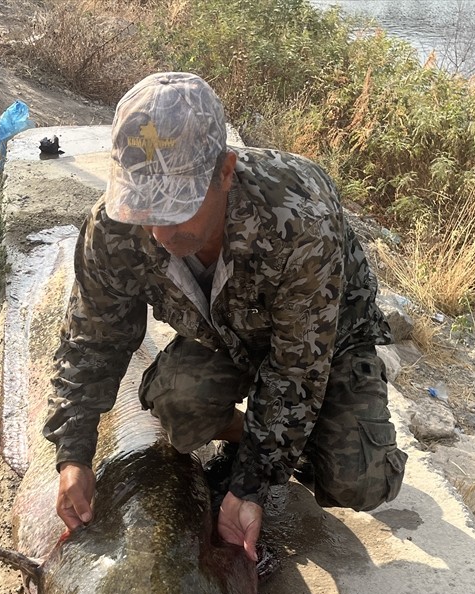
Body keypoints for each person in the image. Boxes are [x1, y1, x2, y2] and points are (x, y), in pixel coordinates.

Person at [44, 71, 407, 561]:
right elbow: (92, 339)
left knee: (359, 479)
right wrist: (73, 454)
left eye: (178, 206)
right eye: (145, 208)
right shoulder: (113, 228)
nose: (160, 232)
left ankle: (291, 435)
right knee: (176, 401)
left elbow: (296, 369)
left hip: (324, 341)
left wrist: (251, 486)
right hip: (227, 335)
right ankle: (250, 433)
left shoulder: (299, 221)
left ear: (226, 171)